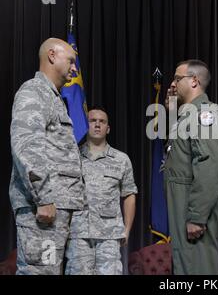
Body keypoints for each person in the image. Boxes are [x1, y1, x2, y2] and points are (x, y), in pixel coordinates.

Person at [9, 38, 85, 274]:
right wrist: (44, 197)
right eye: (71, 61)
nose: (75, 68)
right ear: (52, 56)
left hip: (58, 207)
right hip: (44, 208)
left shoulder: (54, 98)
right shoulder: (34, 91)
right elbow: (27, 145)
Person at [164, 59, 218, 274]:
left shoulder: (204, 114)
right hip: (184, 207)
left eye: (177, 78)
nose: (172, 84)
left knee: (197, 270)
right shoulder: (187, 116)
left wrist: (197, 216)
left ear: (194, 81)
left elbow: (211, 164)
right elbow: (181, 155)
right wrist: (173, 110)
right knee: (185, 269)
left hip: (195, 211)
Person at [65, 108, 137, 275]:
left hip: (109, 236)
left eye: (102, 121)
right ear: (85, 125)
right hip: (78, 233)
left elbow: (129, 195)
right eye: (92, 121)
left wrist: (126, 230)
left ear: (108, 128)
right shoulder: (71, 157)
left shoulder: (121, 159)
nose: (97, 125)